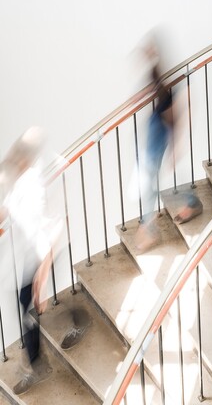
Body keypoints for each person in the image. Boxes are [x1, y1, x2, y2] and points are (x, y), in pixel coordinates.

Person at [0, 127, 90, 395]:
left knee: (38, 304)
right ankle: (38, 363)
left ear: (24, 160)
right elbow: (5, 210)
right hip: (33, 255)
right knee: (26, 304)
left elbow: (51, 228)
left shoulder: (32, 184)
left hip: (46, 250)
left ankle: (79, 319)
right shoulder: (16, 184)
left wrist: (41, 276)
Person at [135, 35, 203, 250]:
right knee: (150, 178)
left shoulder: (166, 74)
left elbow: (180, 108)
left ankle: (150, 227)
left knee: (150, 178)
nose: (146, 53)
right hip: (158, 125)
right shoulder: (157, 72)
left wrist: (177, 142)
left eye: (149, 49)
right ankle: (151, 225)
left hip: (161, 128)